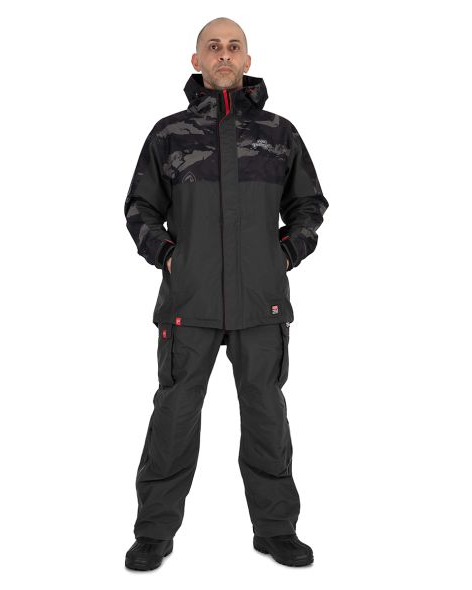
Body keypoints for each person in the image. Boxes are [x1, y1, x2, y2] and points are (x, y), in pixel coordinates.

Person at [123, 17, 329, 571]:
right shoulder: (169, 135)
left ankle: (276, 529)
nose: (224, 54)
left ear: (247, 60)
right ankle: (154, 532)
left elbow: (309, 204)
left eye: (233, 47)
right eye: (213, 47)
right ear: (197, 61)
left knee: (266, 417)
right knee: (173, 418)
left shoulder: (279, 134)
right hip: (188, 303)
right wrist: (169, 256)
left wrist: (287, 253)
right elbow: (140, 208)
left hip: (260, 303)